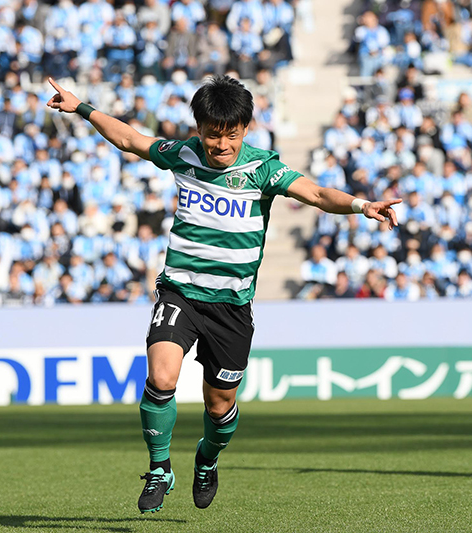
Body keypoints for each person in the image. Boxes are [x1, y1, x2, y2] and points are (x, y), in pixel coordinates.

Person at [46, 75, 401, 511]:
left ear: (245, 129)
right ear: (199, 128)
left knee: (219, 408)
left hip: (231, 308)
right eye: (213, 134)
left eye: (231, 134)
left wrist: (362, 206)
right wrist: (81, 107)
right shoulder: (183, 155)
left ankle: (207, 460)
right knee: (161, 378)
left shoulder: (262, 168)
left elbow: (318, 193)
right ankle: (159, 468)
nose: (221, 144)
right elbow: (130, 139)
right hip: (181, 293)